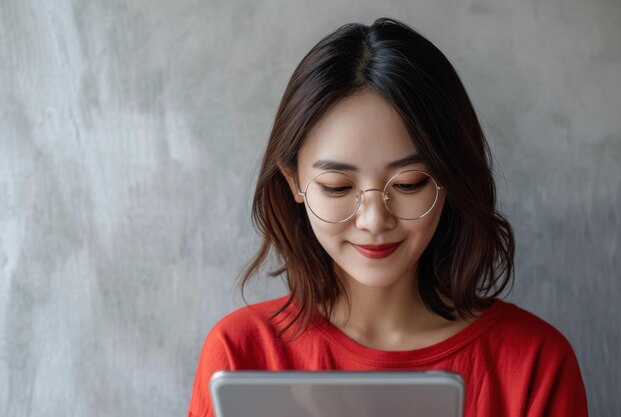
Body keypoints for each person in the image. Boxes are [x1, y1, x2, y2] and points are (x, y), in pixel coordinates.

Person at [187, 17, 588, 417]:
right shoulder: (240, 353)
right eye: (337, 187)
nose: (375, 221)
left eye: (409, 183)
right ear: (294, 181)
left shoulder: (535, 364)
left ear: (449, 179)